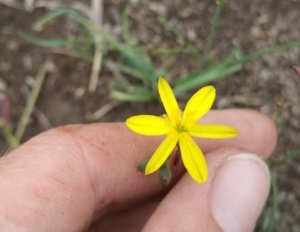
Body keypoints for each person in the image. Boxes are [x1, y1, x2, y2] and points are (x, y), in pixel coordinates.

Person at [0, 109, 276, 232]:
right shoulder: (167, 141)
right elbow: (144, 141)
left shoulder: (188, 135)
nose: (179, 123)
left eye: (179, 120)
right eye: (176, 117)